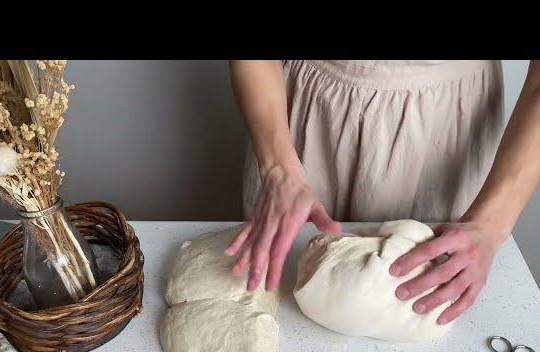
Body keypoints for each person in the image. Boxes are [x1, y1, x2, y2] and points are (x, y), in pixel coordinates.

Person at [226, 60, 540, 325]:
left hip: (446, 130)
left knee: (432, 289)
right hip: (298, 118)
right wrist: (279, 169)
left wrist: (490, 223)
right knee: (277, 299)